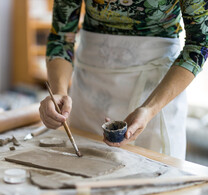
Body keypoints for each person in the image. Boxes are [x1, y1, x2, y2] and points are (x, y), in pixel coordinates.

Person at [39, 0, 208, 160]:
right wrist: (59, 91)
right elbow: (61, 37)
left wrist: (149, 109)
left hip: (158, 91)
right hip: (90, 90)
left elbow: (199, 44)